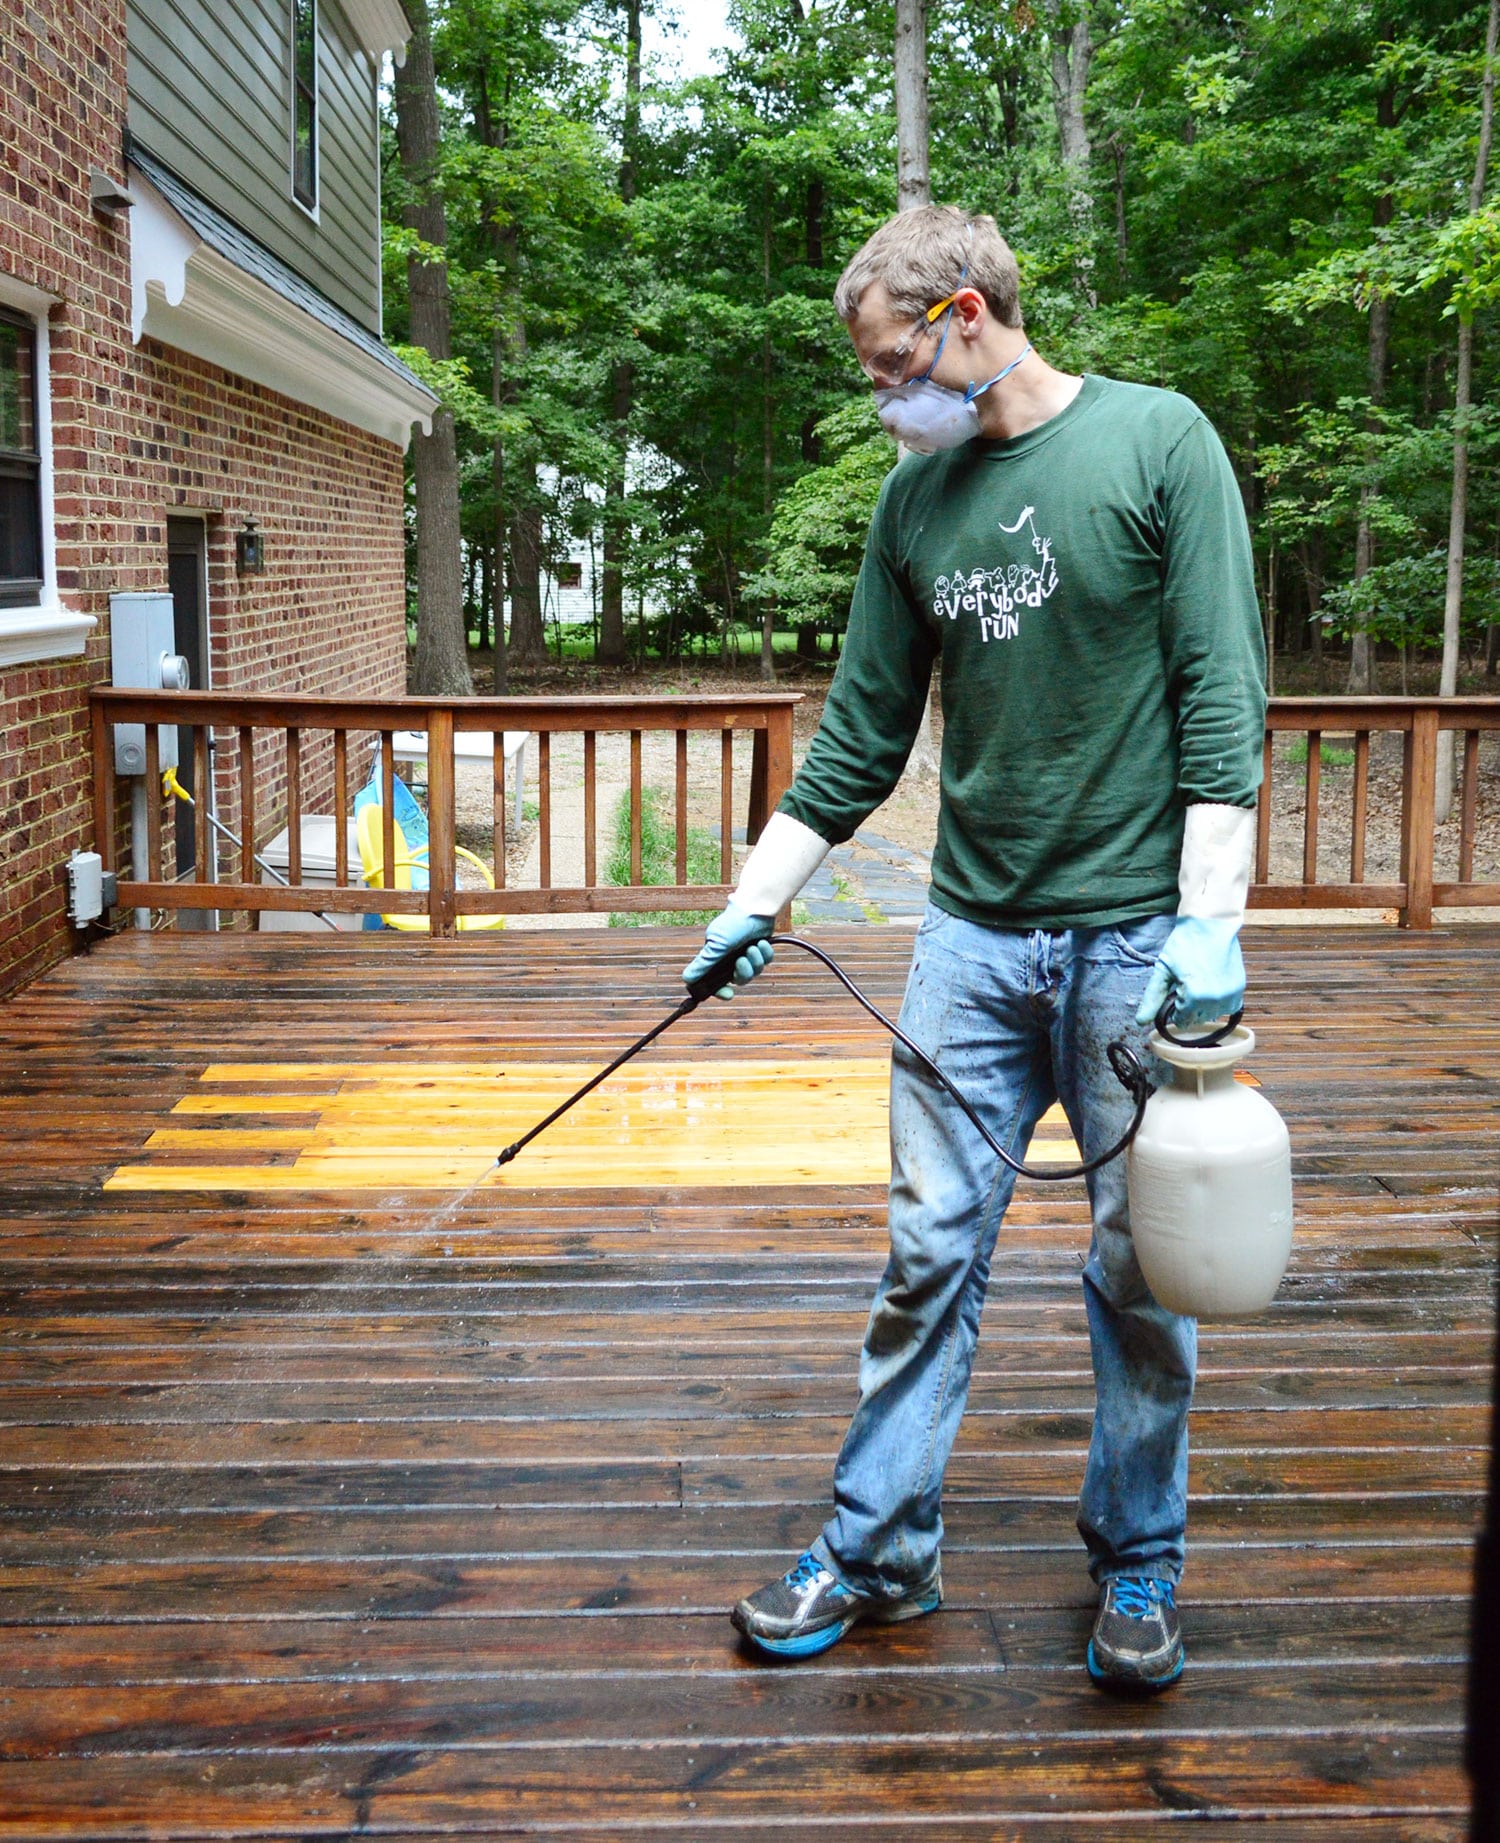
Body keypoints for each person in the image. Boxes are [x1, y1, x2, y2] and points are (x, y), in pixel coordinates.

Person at [682, 205, 1267, 1693]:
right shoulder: (914, 500)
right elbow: (860, 733)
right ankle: (881, 1552)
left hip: (1137, 942)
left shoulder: (1158, 443)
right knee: (928, 1251)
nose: (885, 397)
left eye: (892, 365)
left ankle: (1139, 1561)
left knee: (1141, 1270)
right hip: (970, 941)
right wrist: (757, 896)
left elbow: (1221, 691)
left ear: (962, 316)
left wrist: (1211, 922)